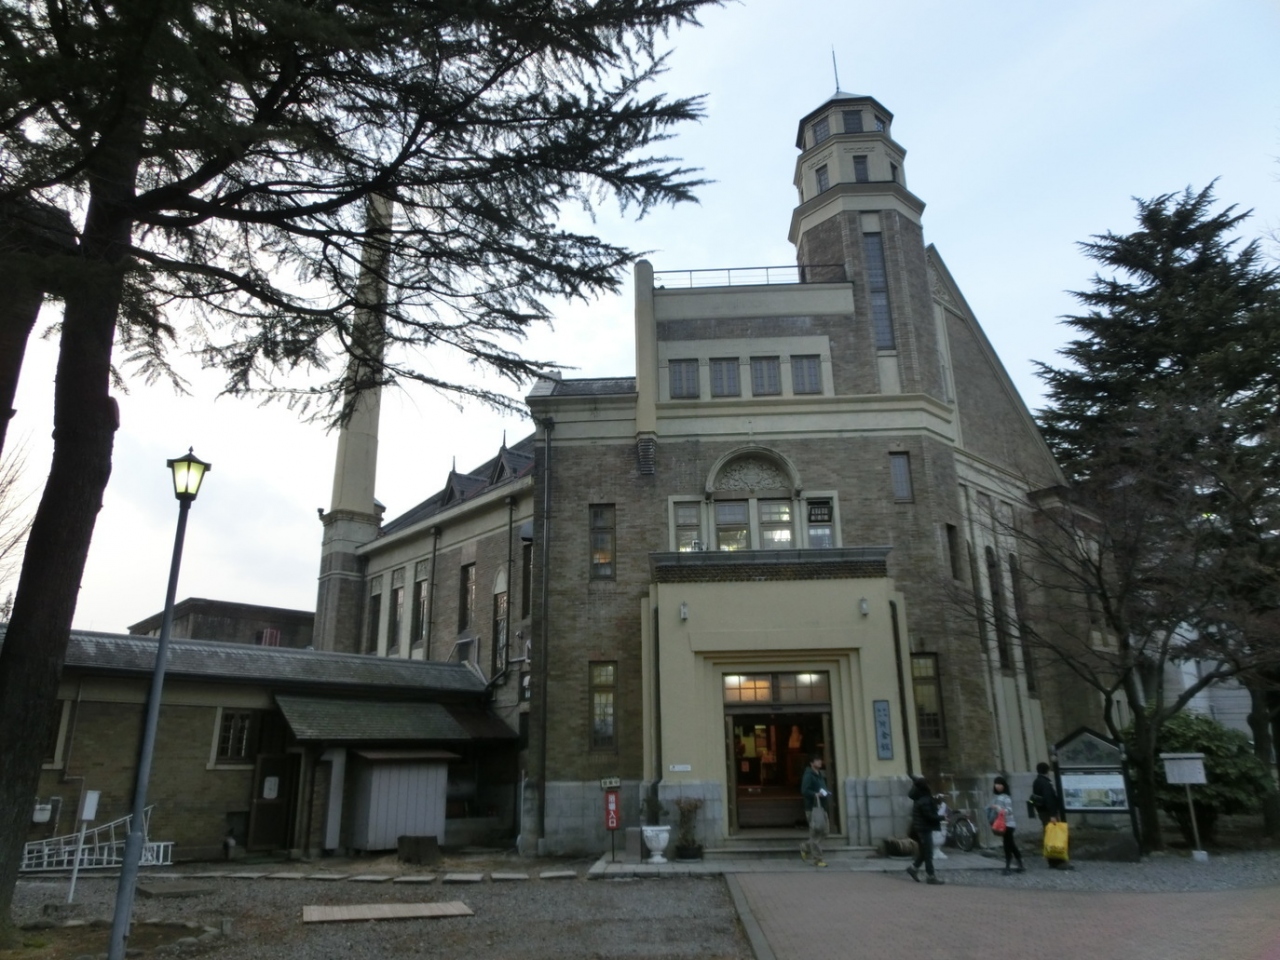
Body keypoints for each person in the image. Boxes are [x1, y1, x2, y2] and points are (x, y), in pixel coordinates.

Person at [1031, 761, 1073, 870]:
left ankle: (1051, 860)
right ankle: (1058, 861)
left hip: (1042, 812)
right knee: (1055, 837)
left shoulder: (1036, 782)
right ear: (1047, 771)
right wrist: (1053, 814)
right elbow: (1049, 799)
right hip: (1048, 813)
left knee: (1049, 836)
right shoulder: (1046, 783)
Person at [906, 777, 944, 884]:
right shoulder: (924, 799)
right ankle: (930, 876)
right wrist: (943, 817)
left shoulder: (918, 797)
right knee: (928, 853)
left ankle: (913, 868)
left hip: (919, 828)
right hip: (924, 829)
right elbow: (929, 816)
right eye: (928, 784)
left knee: (925, 852)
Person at [987, 775, 1024, 875]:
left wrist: (999, 809)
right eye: (996, 784)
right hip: (1003, 823)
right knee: (1010, 844)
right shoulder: (997, 797)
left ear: (1004, 785)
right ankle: (1019, 862)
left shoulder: (1006, 797)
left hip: (1008, 824)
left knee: (1007, 845)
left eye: (1000, 784)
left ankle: (1008, 866)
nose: (997, 786)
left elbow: (1009, 810)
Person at [800, 754, 830, 868]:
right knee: (816, 834)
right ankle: (817, 859)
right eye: (817, 760)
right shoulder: (809, 775)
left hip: (821, 807)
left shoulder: (819, 774)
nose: (820, 762)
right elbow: (805, 790)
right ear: (811, 763)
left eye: (820, 760)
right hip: (813, 808)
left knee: (825, 832)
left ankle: (805, 847)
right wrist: (816, 794)